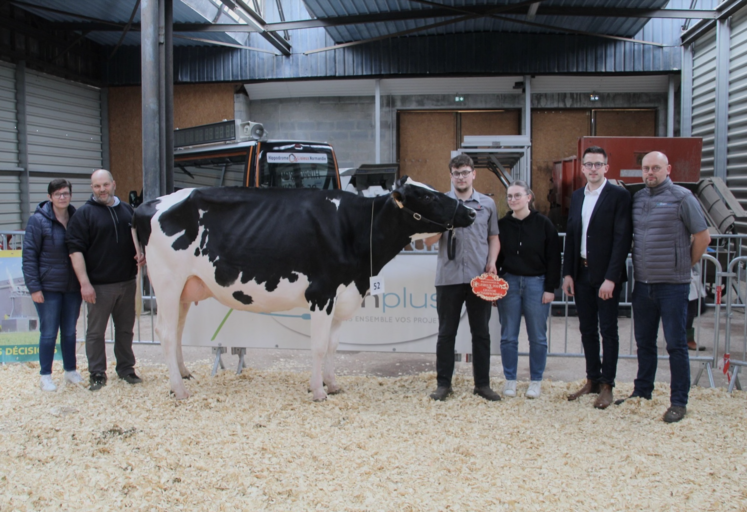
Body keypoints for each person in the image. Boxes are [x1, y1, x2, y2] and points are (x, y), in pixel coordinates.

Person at [616, 151, 710, 423]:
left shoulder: (683, 198)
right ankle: (642, 392)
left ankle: (679, 401)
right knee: (644, 343)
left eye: (655, 168)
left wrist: (683, 265)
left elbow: (702, 237)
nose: (650, 173)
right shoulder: (638, 199)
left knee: (676, 344)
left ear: (667, 169)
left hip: (673, 286)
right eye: (646, 168)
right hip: (643, 284)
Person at [425, 154, 501, 401]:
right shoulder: (441, 203)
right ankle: (443, 385)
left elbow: (493, 238)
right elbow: (428, 241)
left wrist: (491, 261)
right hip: (448, 278)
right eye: (456, 173)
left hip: (479, 278)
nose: (461, 177)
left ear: (473, 174)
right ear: (451, 175)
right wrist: (445, 222)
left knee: (481, 333)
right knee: (447, 333)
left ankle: (482, 384)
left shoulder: (487, 204)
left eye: (465, 172)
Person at [562, 147, 632, 409]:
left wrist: (611, 278)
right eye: (588, 164)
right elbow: (571, 236)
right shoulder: (578, 196)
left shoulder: (619, 196)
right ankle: (591, 379)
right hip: (581, 272)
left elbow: (621, 238)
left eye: (598, 164)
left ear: (606, 167)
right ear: (582, 168)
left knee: (608, 330)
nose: (593, 169)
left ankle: (607, 384)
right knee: (587, 329)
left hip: (606, 277)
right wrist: (567, 272)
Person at [66, 169, 143, 391]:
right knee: (95, 332)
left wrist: (141, 253)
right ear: (92, 188)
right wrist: (85, 283)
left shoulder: (128, 211)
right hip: (99, 286)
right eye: (97, 186)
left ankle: (126, 369)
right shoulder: (84, 215)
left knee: (126, 330)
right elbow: (75, 251)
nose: (102, 190)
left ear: (114, 184)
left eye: (105, 185)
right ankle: (97, 373)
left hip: (127, 282)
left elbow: (137, 240)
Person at [497, 180, 561, 399]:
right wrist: (494, 288)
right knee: (508, 336)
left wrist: (551, 287)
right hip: (509, 283)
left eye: (517, 195)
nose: (513, 200)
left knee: (537, 337)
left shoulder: (544, 224)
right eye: (510, 196)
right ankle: (510, 380)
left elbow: (554, 258)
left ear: (528, 198)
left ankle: (535, 381)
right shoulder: (502, 226)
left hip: (537, 283)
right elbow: (496, 258)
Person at [22, 179, 83, 391]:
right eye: (57, 194)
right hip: (48, 287)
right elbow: (29, 256)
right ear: (50, 197)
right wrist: (34, 288)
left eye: (65, 193)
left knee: (69, 331)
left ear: (70, 195)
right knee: (49, 332)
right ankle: (45, 375)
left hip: (72, 287)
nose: (62, 197)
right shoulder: (38, 221)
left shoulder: (77, 218)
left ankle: (70, 371)